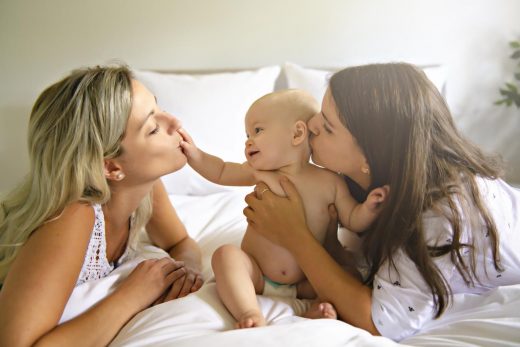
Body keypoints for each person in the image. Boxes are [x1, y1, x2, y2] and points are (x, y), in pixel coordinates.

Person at [243, 63, 520, 341]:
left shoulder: (438, 215)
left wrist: (295, 236)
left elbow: (382, 323)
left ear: (369, 157)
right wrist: (328, 247)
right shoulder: (375, 185)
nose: (312, 124)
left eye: (327, 127)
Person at [0, 65, 204, 347]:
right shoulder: (74, 217)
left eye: (159, 107)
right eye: (153, 128)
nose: (175, 122)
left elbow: (181, 242)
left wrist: (188, 270)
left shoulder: (144, 187)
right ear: (111, 167)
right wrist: (133, 294)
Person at [179, 89, 388, 328]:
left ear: (298, 133)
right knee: (226, 256)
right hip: (257, 273)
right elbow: (221, 171)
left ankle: (316, 308)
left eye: (257, 130)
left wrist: (370, 208)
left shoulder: (331, 182)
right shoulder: (259, 173)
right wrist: (194, 154)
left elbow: (352, 218)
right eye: (247, 134)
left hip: (306, 280)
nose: (248, 140)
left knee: (351, 275)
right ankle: (250, 312)